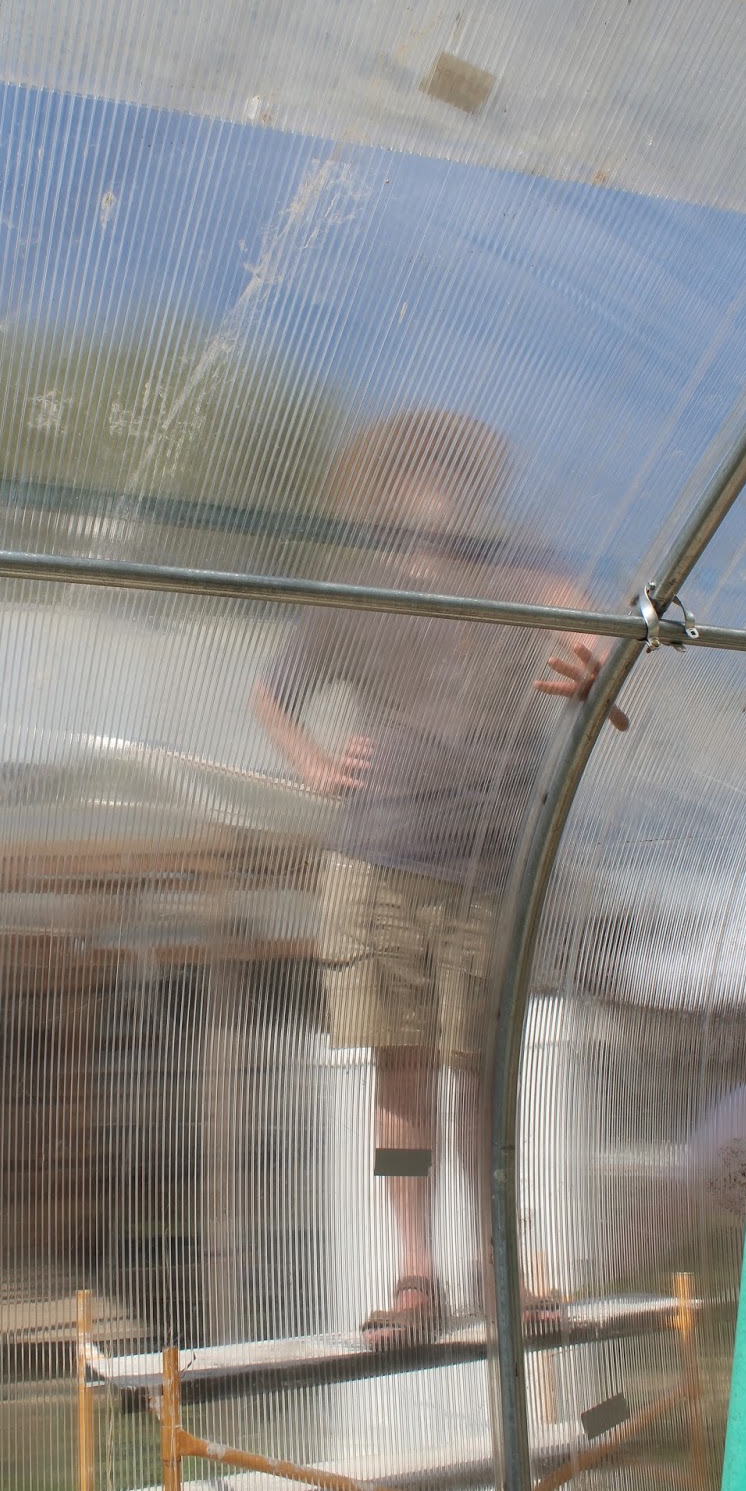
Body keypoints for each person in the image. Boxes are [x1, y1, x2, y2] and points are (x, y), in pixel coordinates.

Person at [254, 409, 627, 1346]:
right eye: (419, 469)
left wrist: (596, 668)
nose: (440, 486)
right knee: (402, 1075)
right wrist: (311, 765)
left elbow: (598, 630)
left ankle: (497, 1260)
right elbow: (271, 693)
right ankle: (415, 1264)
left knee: (480, 1075)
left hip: (490, 864)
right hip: (379, 860)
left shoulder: (515, 569)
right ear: (386, 488)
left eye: (454, 469)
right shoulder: (358, 587)